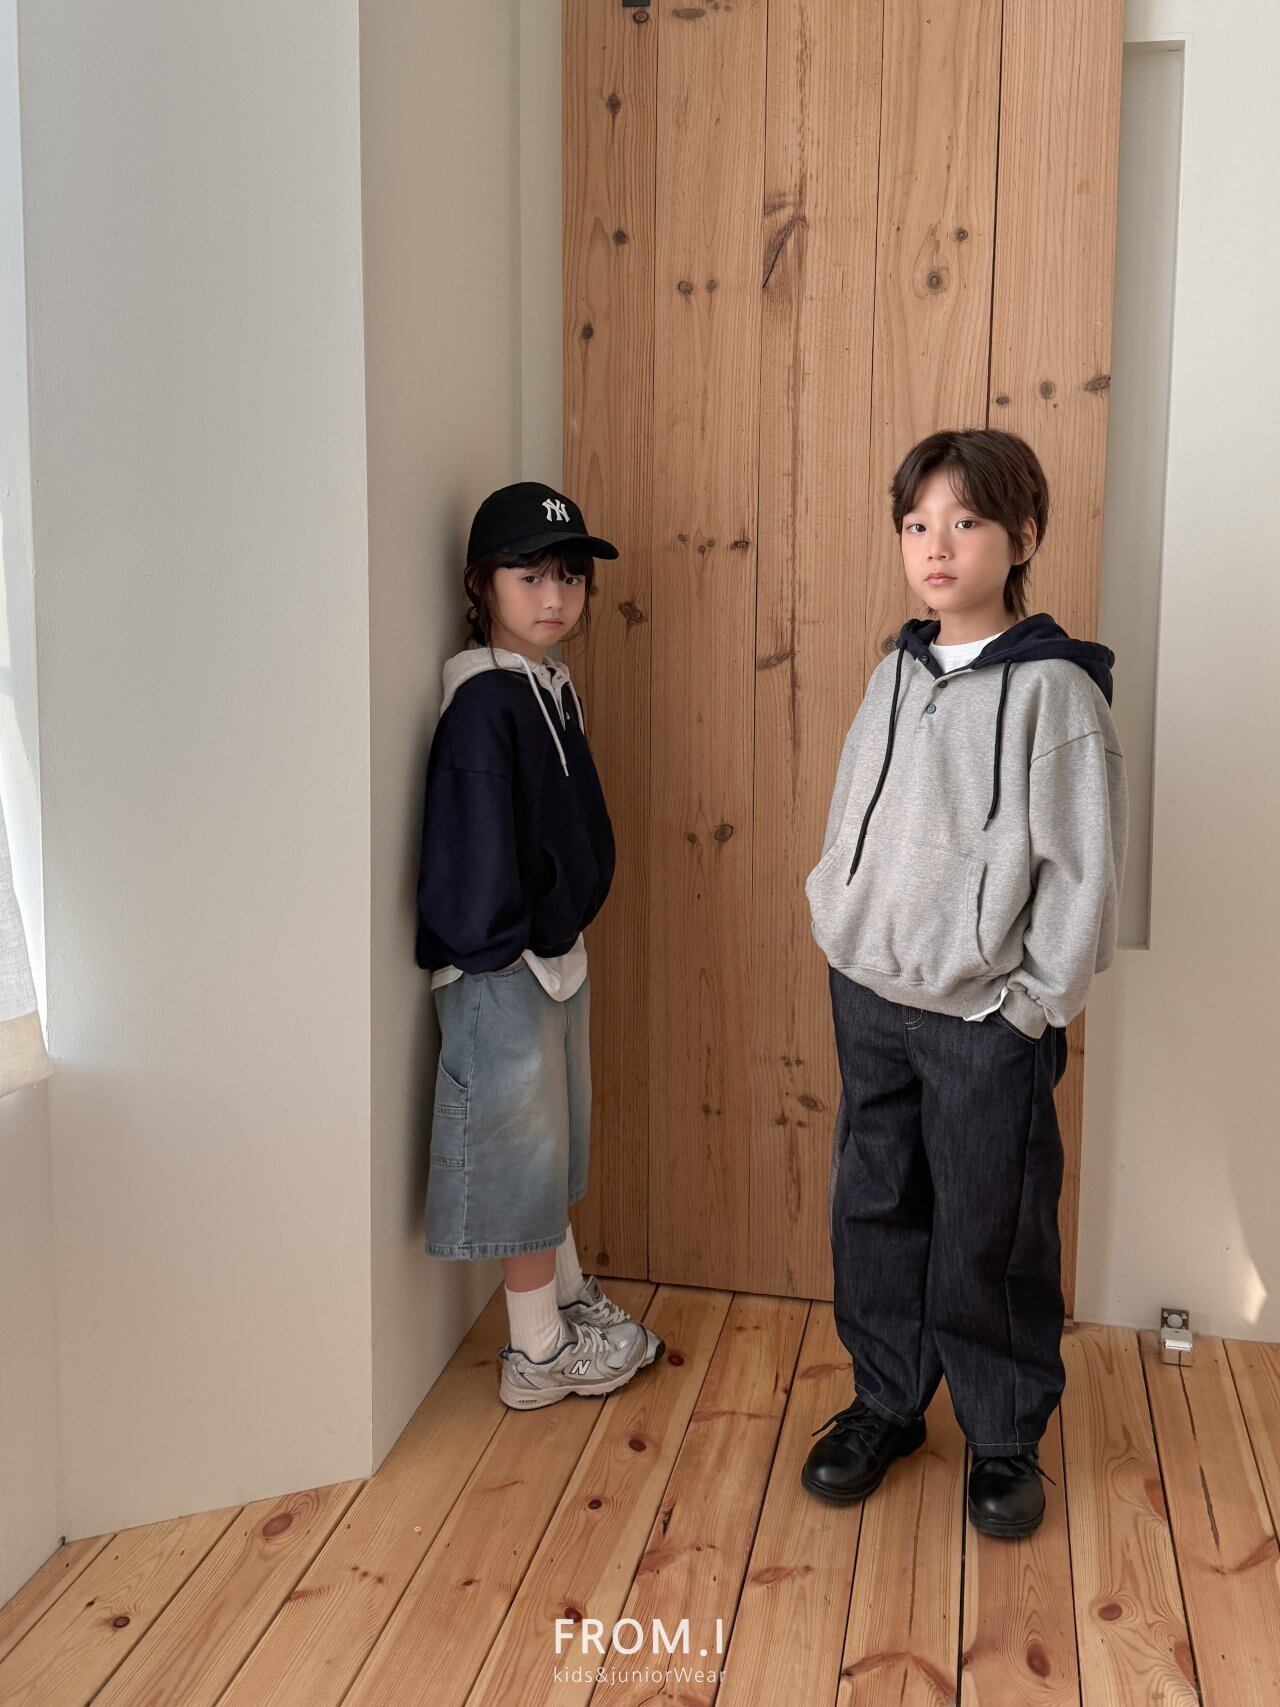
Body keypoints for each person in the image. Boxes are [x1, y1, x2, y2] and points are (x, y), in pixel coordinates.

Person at [801, 429, 1128, 1537]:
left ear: (1021, 538)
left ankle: (1001, 1433)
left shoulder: (1055, 692)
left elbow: (1081, 868)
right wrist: (839, 920)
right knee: (873, 1204)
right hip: (869, 993)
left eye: (965, 522)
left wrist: (1032, 1003)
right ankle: (885, 1401)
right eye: (916, 524)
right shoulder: (894, 673)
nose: (935, 547)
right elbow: (855, 814)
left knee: (993, 1224)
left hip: (985, 1014)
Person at [415, 480, 664, 1409]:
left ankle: (565, 1298)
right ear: (482, 583)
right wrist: (506, 946)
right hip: (503, 962)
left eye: (570, 576)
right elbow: (471, 846)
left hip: (551, 952)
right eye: (530, 576)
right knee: (520, 1157)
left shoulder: (549, 686)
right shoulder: (482, 701)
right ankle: (537, 1351)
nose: (555, 595)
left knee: (554, 1142)